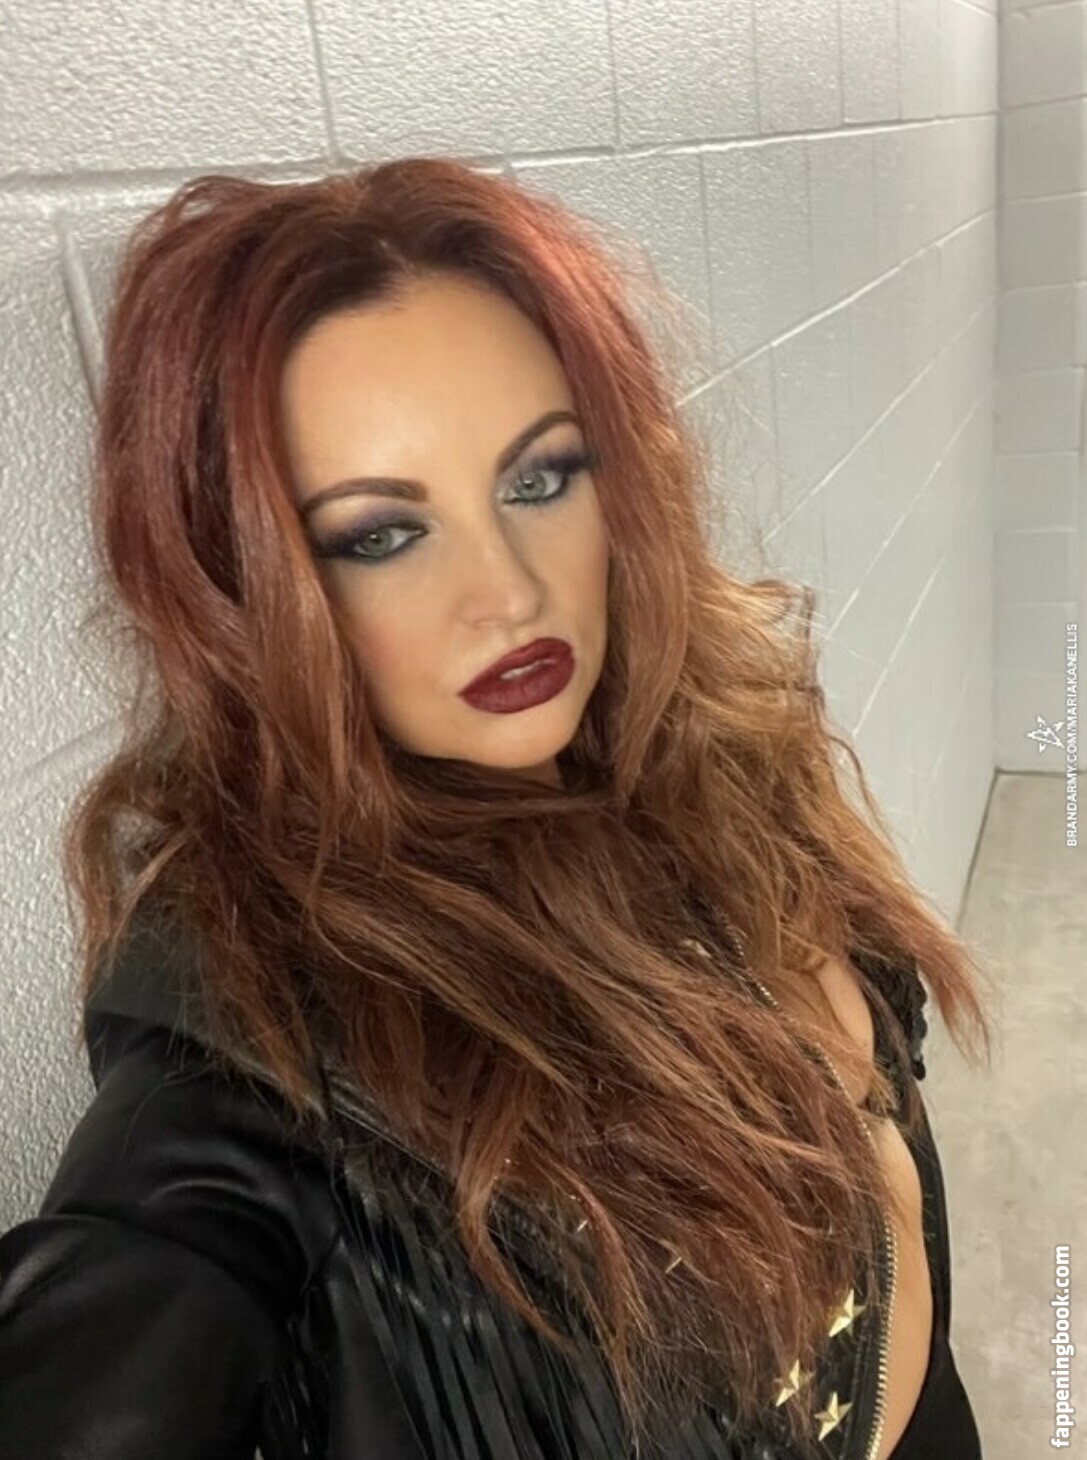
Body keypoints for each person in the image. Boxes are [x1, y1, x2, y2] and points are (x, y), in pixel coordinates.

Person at [0, 156, 991, 1459]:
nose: (511, 594)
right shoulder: (250, 1070)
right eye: (379, 534)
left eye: (539, 479)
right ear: (243, 591)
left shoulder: (719, 755)